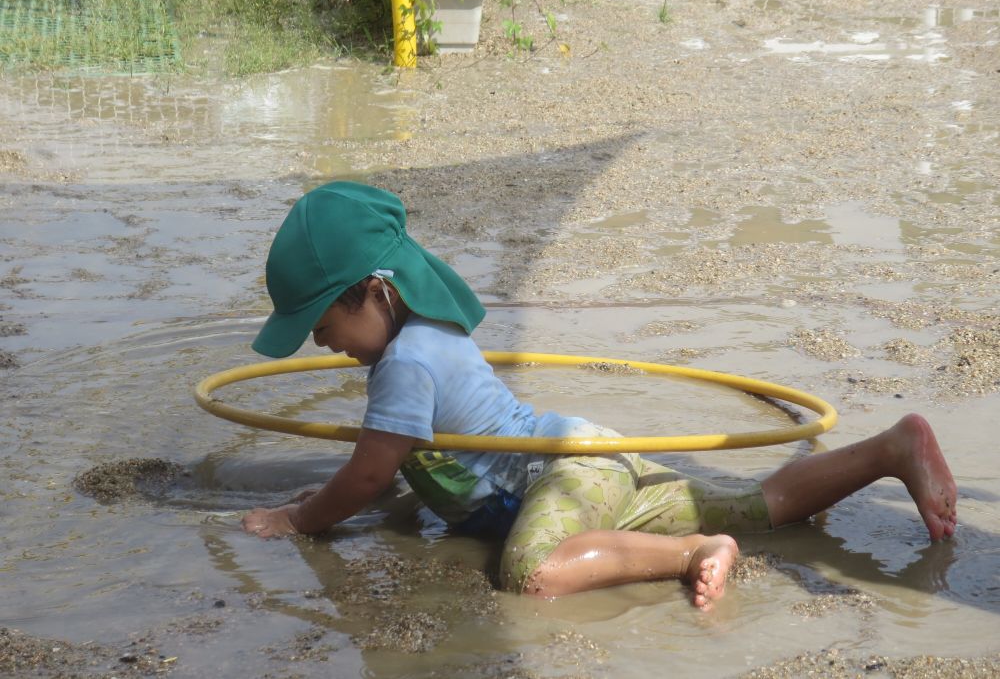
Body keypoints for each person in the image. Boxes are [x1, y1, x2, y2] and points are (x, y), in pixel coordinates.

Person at [242, 181, 958, 610]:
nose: (319, 343)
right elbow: (411, 464)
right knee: (757, 505)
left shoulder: (403, 364)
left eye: (321, 323)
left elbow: (369, 472)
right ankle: (889, 448)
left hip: (563, 475)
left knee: (530, 573)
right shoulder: (427, 329)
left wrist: (299, 517)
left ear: (371, 291)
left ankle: (693, 554)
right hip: (587, 457)